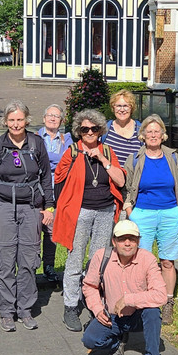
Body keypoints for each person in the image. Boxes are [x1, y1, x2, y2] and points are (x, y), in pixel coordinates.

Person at [0, 101, 55, 331]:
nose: (16, 124)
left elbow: (46, 177)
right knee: (4, 260)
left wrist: (49, 207)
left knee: (28, 258)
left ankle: (25, 309)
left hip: (31, 206)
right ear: (6, 121)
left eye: (20, 119)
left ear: (27, 120)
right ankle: (7, 311)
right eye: (11, 120)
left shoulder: (36, 143)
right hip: (2, 206)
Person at [52, 109, 126, 332]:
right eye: (85, 129)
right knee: (75, 259)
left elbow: (120, 180)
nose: (90, 132)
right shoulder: (72, 152)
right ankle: (71, 306)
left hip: (105, 211)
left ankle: (93, 301)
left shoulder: (107, 151)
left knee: (98, 261)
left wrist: (103, 159)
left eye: (94, 129)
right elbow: (58, 180)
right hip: (80, 212)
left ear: (100, 130)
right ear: (79, 132)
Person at [81, 220, 167, 355]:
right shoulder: (101, 256)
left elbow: (161, 295)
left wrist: (128, 299)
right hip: (112, 316)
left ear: (138, 241)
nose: (127, 243)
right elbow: (89, 286)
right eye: (122, 239)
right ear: (114, 241)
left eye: (132, 239)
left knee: (152, 312)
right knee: (89, 340)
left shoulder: (147, 259)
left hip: (138, 316)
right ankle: (118, 341)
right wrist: (98, 309)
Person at [122, 114, 178, 326]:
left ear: (162, 135)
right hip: (142, 214)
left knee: (167, 261)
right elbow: (126, 186)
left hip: (170, 213)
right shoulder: (134, 159)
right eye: (148, 131)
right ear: (142, 136)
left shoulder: (174, 157)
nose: (152, 135)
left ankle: (167, 302)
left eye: (156, 131)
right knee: (142, 261)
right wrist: (130, 210)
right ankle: (144, 302)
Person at [37, 103, 72, 283]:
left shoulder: (68, 139)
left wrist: (51, 161)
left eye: (56, 116)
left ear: (61, 120)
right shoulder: (34, 137)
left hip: (60, 192)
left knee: (52, 231)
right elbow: (37, 160)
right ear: (43, 119)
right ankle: (31, 266)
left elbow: (70, 161)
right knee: (35, 229)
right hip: (37, 192)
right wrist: (56, 161)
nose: (52, 118)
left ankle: (49, 266)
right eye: (49, 115)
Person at [102, 89, 142, 168]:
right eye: (118, 106)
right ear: (113, 108)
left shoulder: (140, 129)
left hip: (133, 178)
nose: (122, 110)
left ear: (132, 108)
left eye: (126, 106)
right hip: (109, 178)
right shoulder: (105, 129)